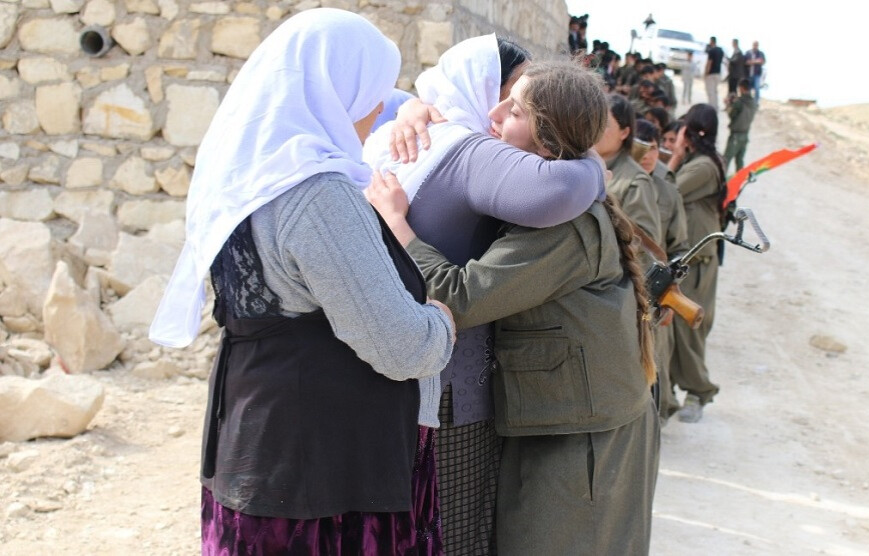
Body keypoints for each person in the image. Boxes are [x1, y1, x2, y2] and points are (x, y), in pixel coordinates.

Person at [148, 10, 457, 554]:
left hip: (256, 446)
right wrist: (441, 324)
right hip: (323, 477)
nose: (374, 111)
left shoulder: (248, 173)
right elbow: (400, 346)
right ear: (337, 89)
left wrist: (408, 104)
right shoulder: (316, 196)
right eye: (369, 92)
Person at [368, 60, 661, 556]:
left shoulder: (560, 227)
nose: (497, 111)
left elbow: (457, 296)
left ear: (547, 144)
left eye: (517, 108)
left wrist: (397, 224)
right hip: (582, 425)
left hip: (583, 441)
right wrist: (414, 108)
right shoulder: (565, 195)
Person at [665, 103, 726, 423]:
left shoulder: (703, 167)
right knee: (672, 328)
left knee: (689, 329)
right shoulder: (699, 161)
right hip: (688, 259)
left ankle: (700, 392)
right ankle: (673, 390)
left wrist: (674, 156)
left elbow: (668, 189)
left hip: (698, 262)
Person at [632, 119, 690, 423]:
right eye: (642, 147)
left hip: (657, 294)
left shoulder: (668, 193)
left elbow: (679, 245)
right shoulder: (619, 185)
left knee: (656, 360)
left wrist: (672, 291)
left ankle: (660, 415)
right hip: (626, 293)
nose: (648, 154)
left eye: (654, 147)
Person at [594, 94, 663, 257]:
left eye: (604, 124)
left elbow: (647, 244)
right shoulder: (583, 165)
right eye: (591, 121)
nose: (594, 129)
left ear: (624, 132)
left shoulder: (635, 182)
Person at [723, 78, 757, 174]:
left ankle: (720, 184)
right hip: (745, 135)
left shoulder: (739, 102)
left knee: (726, 160)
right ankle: (739, 184)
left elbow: (731, 115)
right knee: (739, 161)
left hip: (735, 136)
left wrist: (728, 105)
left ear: (741, 88)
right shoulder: (753, 102)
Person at [704, 36, 724, 108]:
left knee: (710, 92)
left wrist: (706, 73)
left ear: (711, 41)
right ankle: (716, 106)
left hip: (711, 74)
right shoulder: (721, 50)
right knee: (715, 91)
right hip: (718, 73)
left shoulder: (711, 51)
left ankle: (711, 107)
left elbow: (709, 63)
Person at [745, 40, 766, 105]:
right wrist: (756, 61)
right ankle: (749, 102)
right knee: (748, 89)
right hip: (749, 74)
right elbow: (746, 62)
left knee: (757, 89)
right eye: (754, 44)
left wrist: (752, 61)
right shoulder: (748, 52)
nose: (755, 46)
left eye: (756, 45)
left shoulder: (760, 53)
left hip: (757, 74)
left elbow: (762, 61)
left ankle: (756, 103)